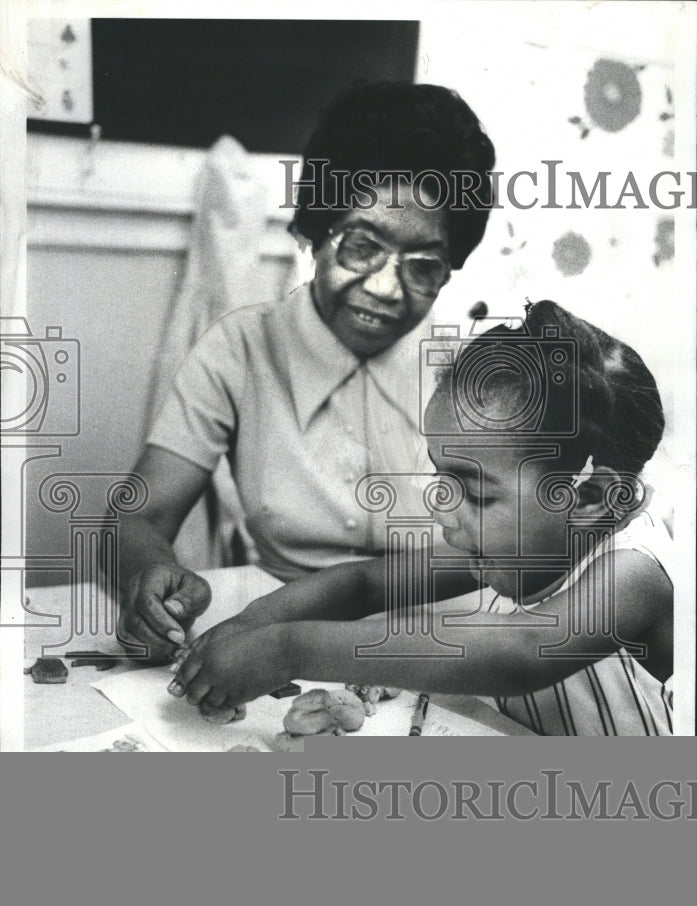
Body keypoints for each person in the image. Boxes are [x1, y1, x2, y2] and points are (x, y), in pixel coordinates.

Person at [116, 81, 496, 662]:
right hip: (274, 625)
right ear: (312, 232)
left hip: (438, 642)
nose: (386, 289)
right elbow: (140, 514)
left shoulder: (471, 372)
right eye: (362, 247)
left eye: (424, 266)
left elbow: (502, 546)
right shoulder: (240, 349)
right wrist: (151, 574)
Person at [168, 300, 674, 735]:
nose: (442, 507)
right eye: (443, 478)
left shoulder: (637, 573)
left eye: (476, 493)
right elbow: (365, 583)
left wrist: (285, 649)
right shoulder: (518, 546)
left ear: (590, 497)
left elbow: (523, 650)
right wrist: (252, 625)